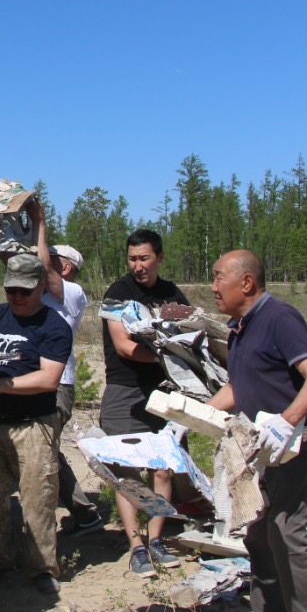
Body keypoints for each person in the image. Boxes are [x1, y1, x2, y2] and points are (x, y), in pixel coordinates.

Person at [207, 250, 307, 612]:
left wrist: (288, 420)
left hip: (299, 441)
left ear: (246, 283)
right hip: (262, 446)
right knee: (259, 532)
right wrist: (188, 417)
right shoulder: (239, 328)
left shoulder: (279, 318)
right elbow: (238, 388)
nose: (212, 287)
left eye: (218, 277)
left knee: (285, 527)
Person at [0, 252, 72, 596]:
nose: (18, 298)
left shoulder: (54, 325)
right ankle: (1, 560)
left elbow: (49, 379)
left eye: (25, 291)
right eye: (11, 291)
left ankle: (42, 568)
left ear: (40, 286)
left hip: (33, 424)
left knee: (38, 500)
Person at [99, 228, 191, 577]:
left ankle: (156, 540)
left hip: (165, 391)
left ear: (160, 258)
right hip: (126, 390)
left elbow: (187, 330)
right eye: (132, 259)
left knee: (162, 466)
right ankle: (135, 545)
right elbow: (124, 346)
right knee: (126, 469)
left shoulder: (172, 294)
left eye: (144, 258)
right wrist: (168, 356)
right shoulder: (118, 293)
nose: (138, 266)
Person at [29, 202, 103, 535]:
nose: (46, 262)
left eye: (54, 261)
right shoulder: (43, 293)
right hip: (37, 383)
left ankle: (82, 512)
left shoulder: (71, 293)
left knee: (43, 451)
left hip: (57, 385)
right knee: (42, 449)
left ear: (67, 268)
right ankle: (82, 512)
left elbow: (43, 267)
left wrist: (40, 222)